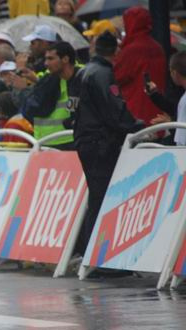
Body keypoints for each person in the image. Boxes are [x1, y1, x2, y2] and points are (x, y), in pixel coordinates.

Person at [73, 32, 144, 256]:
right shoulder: (103, 74)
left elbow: (72, 109)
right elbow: (114, 110)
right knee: (102, 198)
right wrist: (137, 126)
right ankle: (97, 256)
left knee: (96, 197)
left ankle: (91, 254)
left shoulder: (82, 72)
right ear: (116, 52)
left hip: (84, 140)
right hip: (101, 142)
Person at [113, 7, 167, 126]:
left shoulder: (131, 50)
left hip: (137, 113)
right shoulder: (157, 47)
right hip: (159, 111)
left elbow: (116, 78)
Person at [23, 41, 81, 149]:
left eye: (51, 59)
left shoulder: (80, 77)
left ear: (65, 59)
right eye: (46, 59)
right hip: (44, 140)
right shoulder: (48, 77)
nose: (46, 63)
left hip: (67, 139)